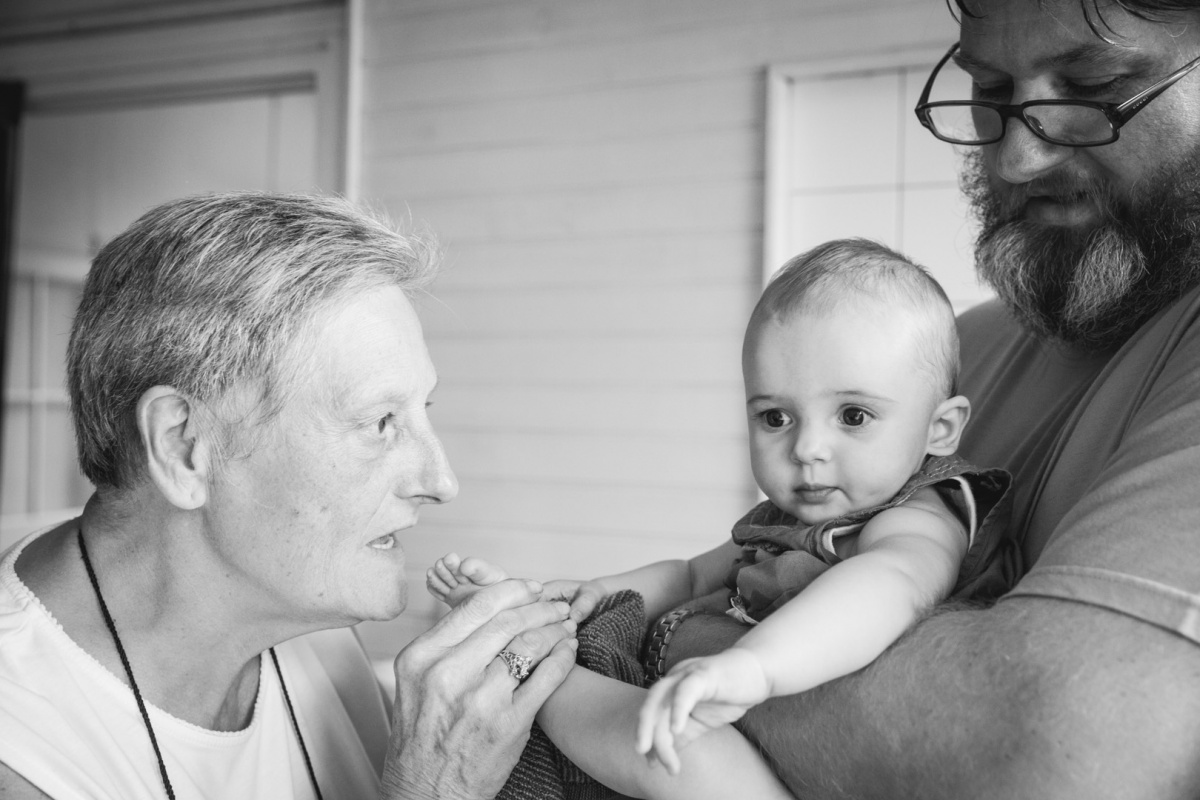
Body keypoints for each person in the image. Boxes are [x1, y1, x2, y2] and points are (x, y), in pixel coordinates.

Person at [635, 2, 1200, 797]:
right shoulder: (967, 343)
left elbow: (1052, 753)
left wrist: (671, 639)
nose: (1017, 156)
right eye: (991, 89)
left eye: (1096, 83)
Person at [0, 192, 583, 800]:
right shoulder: (22, 760)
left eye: (421, 410)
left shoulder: (304, 606)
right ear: (183, 446)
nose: (441, 481)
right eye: (379, 421)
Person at [428, 239, 1017, 796]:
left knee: (673, 750)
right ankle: (524, 629)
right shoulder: (787, 516)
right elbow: (689, 576)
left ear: (941, 428)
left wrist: (753, 669)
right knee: (646, 707)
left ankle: (525, 665)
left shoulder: (921, 512)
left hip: (788, 757)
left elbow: (892, 583)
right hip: (707, 701)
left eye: (855, 416)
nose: (807, 448)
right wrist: (593, 592)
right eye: (775, 418)